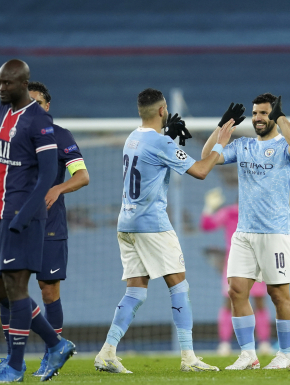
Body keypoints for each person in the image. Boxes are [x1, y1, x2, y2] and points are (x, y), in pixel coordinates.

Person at [0, 81, 90, 378]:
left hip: (47, 226)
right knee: (4, 286)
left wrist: (58, 189)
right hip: (10, 221)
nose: (32, 108)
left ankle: (49, 353)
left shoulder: (60, 136)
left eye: (38, 103)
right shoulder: (11, 134)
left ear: (47, 106)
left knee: (47, 290)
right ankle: (19, 356)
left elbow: (82, 175)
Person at [94, 88, 235, 374]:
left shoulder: (132, 138)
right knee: (179, 285)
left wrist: (169, 139)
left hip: (127, 224)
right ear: (162, 110)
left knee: (136, 292)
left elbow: (152, 160)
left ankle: (107, 352)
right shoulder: (161, 144)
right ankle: (188, 357)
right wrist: (220, 143)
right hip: (152, 225)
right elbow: (200, 170)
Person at [201, 93, 290, 370]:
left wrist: (282, 117)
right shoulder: (243, 145)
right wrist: (221, 127)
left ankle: (285, 355)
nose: (258, 118)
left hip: (274, 233)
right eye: (255, 113)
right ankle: (248, 355)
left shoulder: (285, 147)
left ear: (273, 115)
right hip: (244, 233)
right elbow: (206, 157)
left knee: (278, 294)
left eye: (264, 113)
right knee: (236, 291)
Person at [199, 187, 272, 356]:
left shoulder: (246, 213)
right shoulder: (240, 212)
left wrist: (209, 208)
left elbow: (207, 225)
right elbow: (206, 226)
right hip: (244, 263)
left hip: (248, 263)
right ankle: (233, 344)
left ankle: (256, 343)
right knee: (243, 303)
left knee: (246, 302)